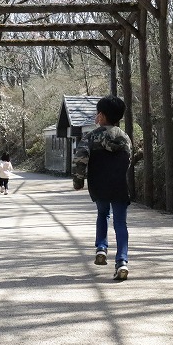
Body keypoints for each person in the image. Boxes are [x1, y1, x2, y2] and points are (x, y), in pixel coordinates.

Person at [72, 95, 133, 281]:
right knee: (121, 223)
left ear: (102, 115)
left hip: (99, 185)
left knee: (102, 214)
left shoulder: (91, 137)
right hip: (119, 185)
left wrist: (78, 181)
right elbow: (129, 160)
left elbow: (80, 159)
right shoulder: (125, 138)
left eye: (98, 113)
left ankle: (101, 248)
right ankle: (122, 262)